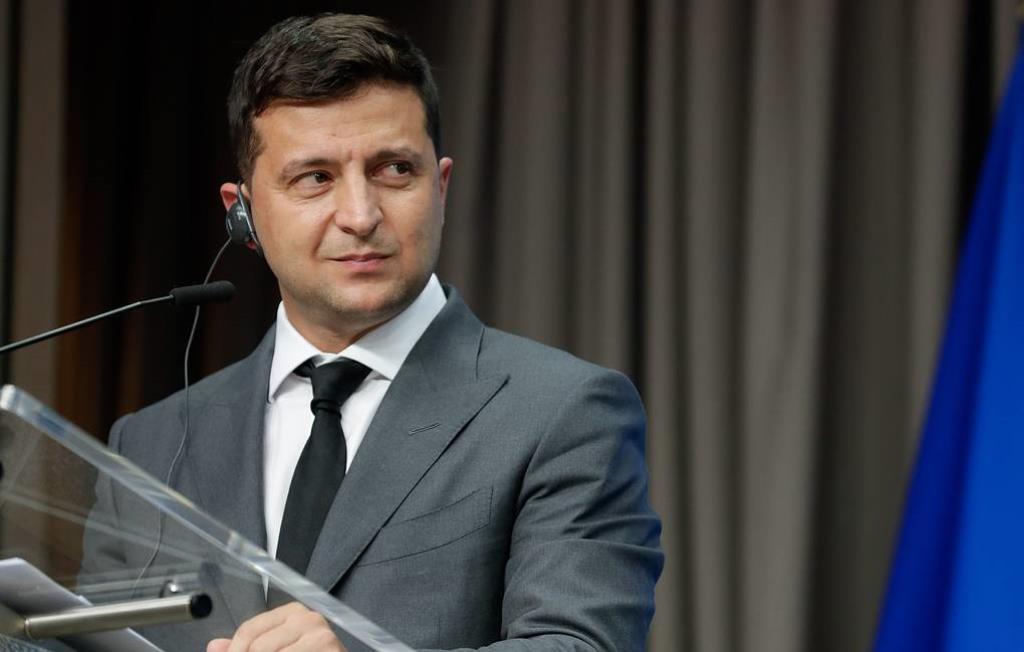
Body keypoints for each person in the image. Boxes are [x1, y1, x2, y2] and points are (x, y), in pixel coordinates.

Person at [82, 13, 662, 652]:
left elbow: (582, 644)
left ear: (440, 188)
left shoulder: (564, 412)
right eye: (315, 178)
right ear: (241, 213)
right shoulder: (149, 445)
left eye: (394, 170)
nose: (360, 216)